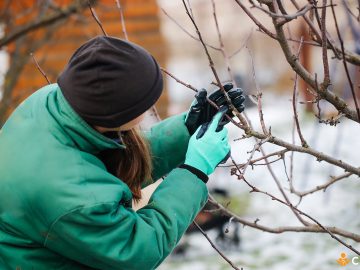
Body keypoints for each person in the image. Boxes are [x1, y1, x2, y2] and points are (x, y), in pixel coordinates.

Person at [0, 36, 245, 269]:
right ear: (119, 116)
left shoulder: (54, 102)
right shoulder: (73, 196)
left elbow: (104, 167)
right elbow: (138, 250)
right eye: (146, 103)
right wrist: (194, 170)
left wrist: (186, 131)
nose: (150, 108)